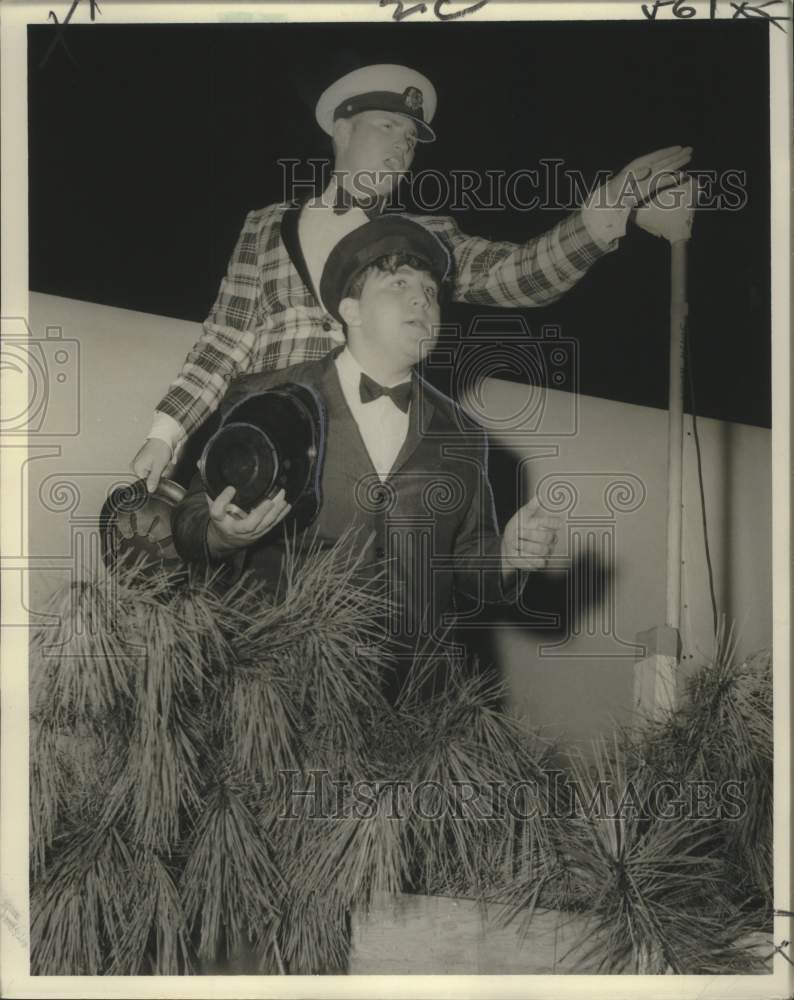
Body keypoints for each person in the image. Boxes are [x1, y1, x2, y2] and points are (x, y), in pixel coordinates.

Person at [132, 62, 692, 491]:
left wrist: (601, 218)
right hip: (259, 447)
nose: (403, 144)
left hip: (370, 461)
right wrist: (166, 434)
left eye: (411, 137)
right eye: (389, 125)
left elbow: (516, 276)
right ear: (341, 130)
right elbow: (223, 342)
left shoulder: (427, 235)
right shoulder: (263, 227)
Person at [172, 216, 562, 700]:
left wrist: (505, 557)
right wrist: (222, 534)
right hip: (278, 697)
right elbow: (189, 518)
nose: (422, 298)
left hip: (412, 705)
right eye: (398, 283)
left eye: (429, 290)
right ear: (350, 310)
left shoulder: (464, 434)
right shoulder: (265, 396)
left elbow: (468, 564)